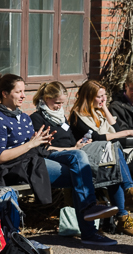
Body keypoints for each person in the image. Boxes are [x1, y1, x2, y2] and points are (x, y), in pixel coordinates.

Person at [0, 74, 119, 246]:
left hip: (37, 157)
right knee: (78, 173)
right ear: (5, 93)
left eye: (23, 91)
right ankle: (89, 229)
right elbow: (0, 157)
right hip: (19, 166)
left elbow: (35, 146)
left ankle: (89, 211)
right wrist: (31, 144)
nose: (23, 95)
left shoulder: (24, 117)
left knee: (79, 157)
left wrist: (42, 142)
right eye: (18, 92)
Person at [31, 81, 133, 236]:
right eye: (57, 103)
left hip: (79, 151)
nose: (60, 106)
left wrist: (77, 145)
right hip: (68, 156)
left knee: (112, 160)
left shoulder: (61, 118)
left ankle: (122, 212)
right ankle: (125, 201)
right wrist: (73, 148)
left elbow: (72, 141)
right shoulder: (39, 118)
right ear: (46, 98)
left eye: (62, 103)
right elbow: (43, 148)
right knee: (112, 151)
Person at [69, 80, 133, 142]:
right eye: (99, 97)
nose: (104, 99)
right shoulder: (79, 115)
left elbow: (116, 130)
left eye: (104, 95)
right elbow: (97, 137)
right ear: (89, 98)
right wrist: (127, 132)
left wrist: (104, 108)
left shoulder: (98, 111)